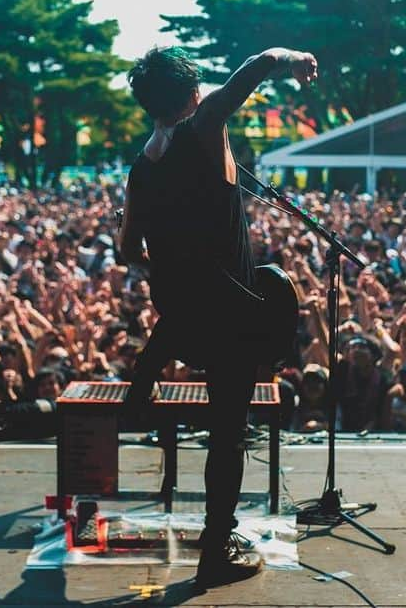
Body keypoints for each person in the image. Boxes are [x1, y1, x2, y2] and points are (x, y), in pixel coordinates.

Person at [120, 44, 317, 587]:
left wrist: (176, 253)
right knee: (228, 435)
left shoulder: (142, 165)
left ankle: (147, 372)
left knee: (227, 424)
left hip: (182, 314)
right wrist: (292, 56)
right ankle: (215, 552)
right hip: (229, 314)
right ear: (190, 94)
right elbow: (252, 71)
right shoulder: (203, 126)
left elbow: (127, 249)